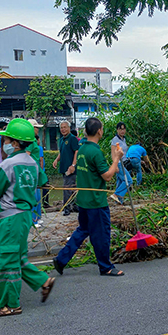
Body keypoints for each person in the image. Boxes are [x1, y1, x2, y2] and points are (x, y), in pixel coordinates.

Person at [0, 119, 55, 317]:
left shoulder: (7, 165)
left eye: (6, 139)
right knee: (19, 257)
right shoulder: (32, 163)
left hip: (10, 218)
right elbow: (42, 180)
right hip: (25, 217)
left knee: (7, 261)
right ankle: (43, 281)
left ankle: (10, 305)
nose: (3, 142)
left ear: (15, 143)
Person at [52, 117, 125, 277]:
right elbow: (107, 176)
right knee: (102, 234)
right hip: (96, 202)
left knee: (82, 230)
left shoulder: (83, 148)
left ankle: (61, 259)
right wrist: (116, 159)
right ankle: (105, 266)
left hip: (84, 200)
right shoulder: (95, 152)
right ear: (99, 131)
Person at [52, 120, 79, 216]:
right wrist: (56, 160)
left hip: (70, 168)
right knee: (71, 187)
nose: (63, 129)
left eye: (64, 127)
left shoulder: (72, 138)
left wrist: (73, 165)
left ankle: (67, 207)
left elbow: (76, 151)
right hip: (64, 167)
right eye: (61, 128)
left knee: (67, 187)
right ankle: (74, 205)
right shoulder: (61, 140)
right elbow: (61, 152)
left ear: (69, 128)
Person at [26, 119, 46, 227]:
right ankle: (33, 220)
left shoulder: (33, 140)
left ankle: (37, 217)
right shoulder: (29, 141)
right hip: (31, 171)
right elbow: (26, 156)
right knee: (34, 196)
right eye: (36, 127)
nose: (37, 130)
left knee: (38, 196)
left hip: (35, 170)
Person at [110, 122, 132, 205]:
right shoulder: (115, 139)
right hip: (118, 163)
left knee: (120, 181)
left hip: (124, 163)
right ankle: (116, 194)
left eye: (123, 129)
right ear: (117, 130)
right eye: (120, 129)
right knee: (128, 181)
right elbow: (113, 153)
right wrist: (115, 165)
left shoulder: (124, 139)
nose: (122, 131)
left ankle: (119, 201)